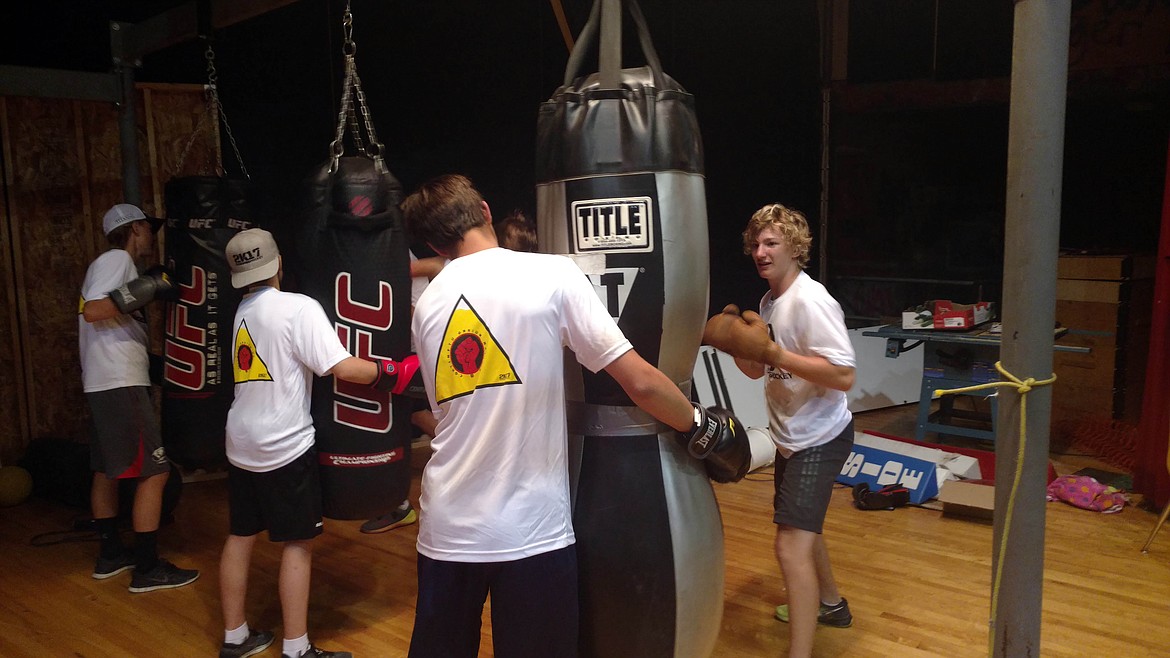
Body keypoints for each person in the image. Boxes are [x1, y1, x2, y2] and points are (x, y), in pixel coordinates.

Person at [398, 174, 744, 658]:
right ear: (483, 208)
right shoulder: (551, 274)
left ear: (433, 241)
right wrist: (702, 426)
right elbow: (640, 381)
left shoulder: (429, 304)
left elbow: (451, 411)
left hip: (448, 529)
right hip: (531, 531)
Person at [217, 228, 417, 658]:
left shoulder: (242, 312)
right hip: (283, 445)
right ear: (279, 263)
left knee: (240, 534)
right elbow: (341, 367)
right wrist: (393, 374)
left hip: (240, 442)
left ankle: (234, 637)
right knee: (297, 543)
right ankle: (296, 648)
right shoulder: (297, 308)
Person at [704, 203, 857, 658]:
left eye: (771, 243)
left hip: (822, 436)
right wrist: (734, 343)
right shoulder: (770, 301)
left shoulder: (811, 301)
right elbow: (757, 370)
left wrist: (774, 354)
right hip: (791, 435)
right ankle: (831, 606)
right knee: (805, 530)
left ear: (794, 246)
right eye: (755, 244)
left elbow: (844, 374)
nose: (760, 251)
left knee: (790, 547)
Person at [78, 202, 200, 593]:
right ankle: (147, 568)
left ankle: (111, 553)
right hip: (119, 383)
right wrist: (150, 285)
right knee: (156, 471)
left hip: (103, 381)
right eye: (149, 229)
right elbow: (94, 311)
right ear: (134, 229)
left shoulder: (106, 264)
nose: (152, 237)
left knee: (106, 470)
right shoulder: (116, 259)